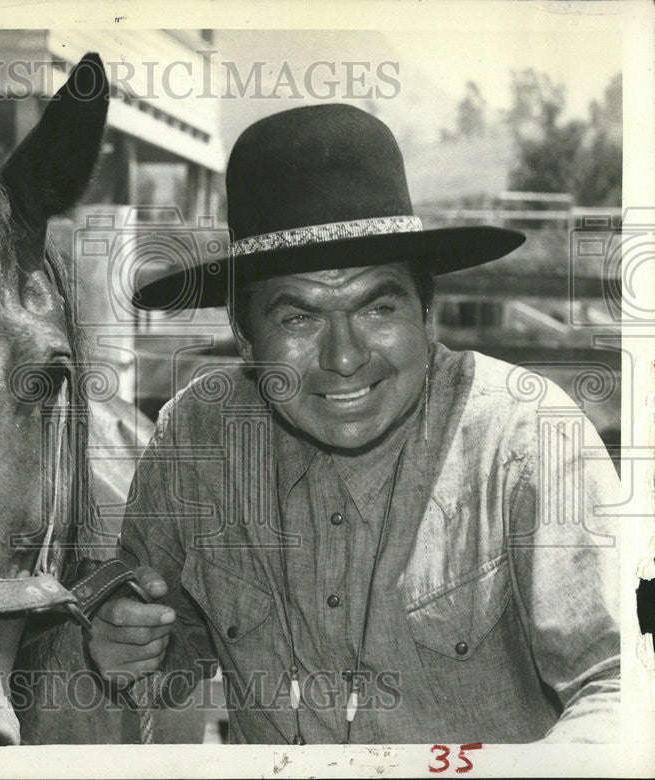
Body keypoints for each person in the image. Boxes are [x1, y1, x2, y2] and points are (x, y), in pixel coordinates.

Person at [85, 104, 620, 744]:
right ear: (245, 339)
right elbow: (165, 654)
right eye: (298, 318)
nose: (344, 358)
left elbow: (618, 685)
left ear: (427, 313)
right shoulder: (201, 440)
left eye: (378, 307)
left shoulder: (527, 440)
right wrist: (128, 647)